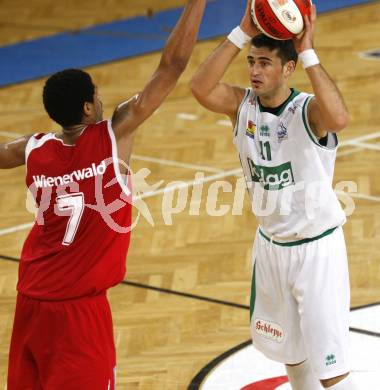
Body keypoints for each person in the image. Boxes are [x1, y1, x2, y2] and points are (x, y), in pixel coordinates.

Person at [1, 1, 206, 388]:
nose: (101, 98)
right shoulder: (113, 136)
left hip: (31, 302)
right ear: (87, 107)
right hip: (80, 312)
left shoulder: (32, 148)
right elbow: (172, 66)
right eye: (96, 94)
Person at [190, 1, 358, 389]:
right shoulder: (240, 105)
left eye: (264, 63)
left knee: (331, 369)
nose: (254, 70)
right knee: (293, 358)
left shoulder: (306, 111)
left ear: (288, 68)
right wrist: (242, 31)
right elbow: (199, 87)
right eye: (251, 61)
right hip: (271, 247)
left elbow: (340, 118)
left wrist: (308, 49)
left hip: (316, 251)